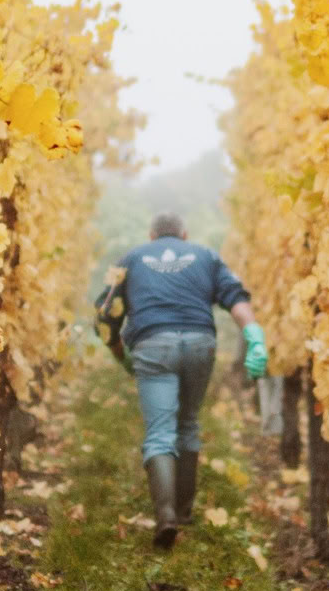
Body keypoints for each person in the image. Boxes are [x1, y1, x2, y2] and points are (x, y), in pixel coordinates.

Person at [106, 212, 267, 549]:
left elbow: (105, 316)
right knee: (189, 423)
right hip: (199, 344)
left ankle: (165, 517)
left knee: (160, 432)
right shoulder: (206, 255)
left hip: (153, 344)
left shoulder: (131, 258)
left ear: (152, 236)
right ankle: (184, 511)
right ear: (184, 234)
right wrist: (253, 334)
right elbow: (235, 297)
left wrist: (122, 356)